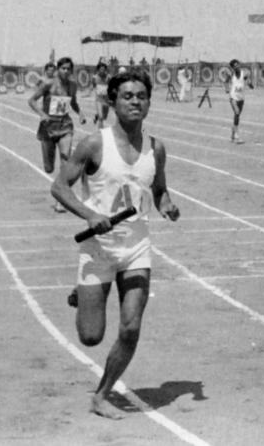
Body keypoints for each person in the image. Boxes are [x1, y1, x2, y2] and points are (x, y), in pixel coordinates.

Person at [49, 70, 180, 419]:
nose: (135, 101)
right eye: (127, 96)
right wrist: (90, 214)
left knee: (131, 327)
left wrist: (167, 205)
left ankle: (101, 395)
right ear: (113, 101)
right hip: (98, 249)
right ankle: (82, 295)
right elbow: (59, 187)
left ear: (149, 102)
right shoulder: (94, 144)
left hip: (136, 248)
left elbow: (159, 189)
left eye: (141, 96)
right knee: (91, 336)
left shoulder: (156, 148)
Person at [29, 57, 87, 211]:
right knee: (49, 168)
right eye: (63, 68)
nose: (66, 71)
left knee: (65, 160)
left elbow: (73, 102)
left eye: (69, 69)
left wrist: (80, 113)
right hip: (48, 128)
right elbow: (32, 101)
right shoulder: (48, 84)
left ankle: (61, 200)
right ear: (58, 69)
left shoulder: (73, 85)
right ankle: (51, 170)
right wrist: (42, 114)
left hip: (65, 126)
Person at [223, 59, 253, 143]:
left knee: (237, 116)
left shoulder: (244, 73)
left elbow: (248, 81)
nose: (237, 67)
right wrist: (227, 89)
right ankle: (237, 136)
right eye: (235, 66)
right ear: (232, 68)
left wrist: (250, 85)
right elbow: (225, 82)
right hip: (233, 97)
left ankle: (232, 135)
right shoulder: (231, 74)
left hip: (241, 98)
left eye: (238, 65)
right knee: (237, 112)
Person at [92, 62, 111, 127]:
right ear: (98, 70)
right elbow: (94, 86)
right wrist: (98, 91)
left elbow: (111, 86)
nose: (102, 71)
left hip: (106, 100)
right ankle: (100, 132)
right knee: (101, 117)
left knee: (104, 117)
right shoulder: (94, 77)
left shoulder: (108, 77)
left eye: (104, 69)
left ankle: (96, 116)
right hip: (99, 99)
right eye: (101, 69)